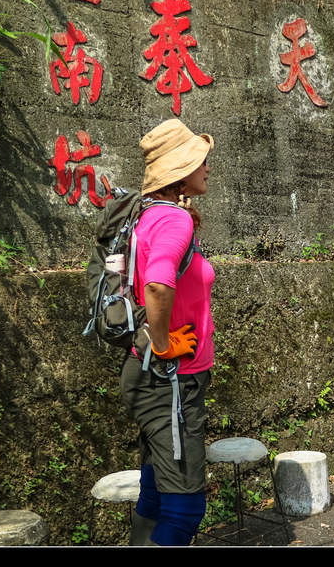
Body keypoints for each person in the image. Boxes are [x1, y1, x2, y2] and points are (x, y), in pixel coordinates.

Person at [121, 119, 215, 546]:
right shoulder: (175, 221)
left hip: (151, 375)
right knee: (184, 508)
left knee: (157, 493)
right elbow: (158, 284)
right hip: (171, 379)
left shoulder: (148, 217)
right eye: (200, 159)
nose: (207, 166)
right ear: (180, 171)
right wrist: (164, 344)